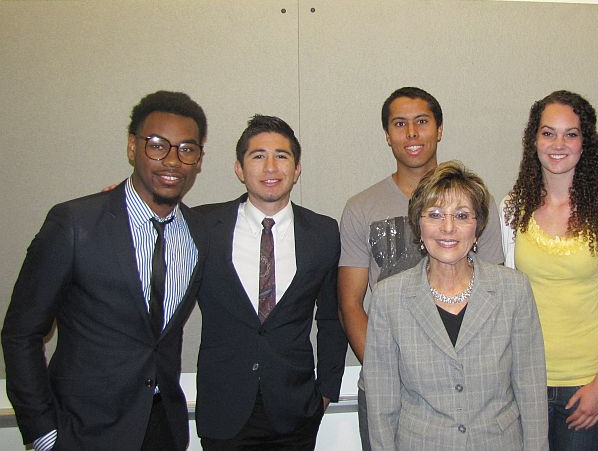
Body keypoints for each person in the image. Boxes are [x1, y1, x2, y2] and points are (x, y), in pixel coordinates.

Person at [2, 91, 208, 450]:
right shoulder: (75, 224)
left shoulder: (199, 234)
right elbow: (21, 333)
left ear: (199, 159)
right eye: (157, 145)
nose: (172, 160)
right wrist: (43, 434)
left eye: (186, 149)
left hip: (162, 428)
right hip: (83, 432)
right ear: (132, 147)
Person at [338, 86, 505, 450]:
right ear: (387, 135)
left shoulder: (477, 204)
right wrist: (389, 370)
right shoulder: (360, 207)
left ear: (439, 129)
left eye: (422, 122)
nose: (412, 133)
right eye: (400, 124)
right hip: (388, 388)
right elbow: (350, 303)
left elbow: (494, 301)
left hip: (468, 392)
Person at [364, 160, 548, 450]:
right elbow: (381, 404)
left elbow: (531, 390)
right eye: (435, 214)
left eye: (462, 215)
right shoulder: (389, 298)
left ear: (477, 227)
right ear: (419, 225)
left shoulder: (514, 290)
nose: (448, 228)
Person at [193, 115, 347, 450]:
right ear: (239, 168)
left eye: (282, 155)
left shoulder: (323, 233)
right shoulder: (202, 226)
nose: (271, 166)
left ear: (297, 168)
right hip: (224, 410)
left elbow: (332, 317)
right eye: (258, 156)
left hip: (296, 411)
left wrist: (326, 391)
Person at [501, 90, 598, 450]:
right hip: (524, 382)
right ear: (534, 140)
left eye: (570, 134)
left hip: (585, 385)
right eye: (548, 133)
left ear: (584, 142)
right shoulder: (512, 209)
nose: (558, 143)